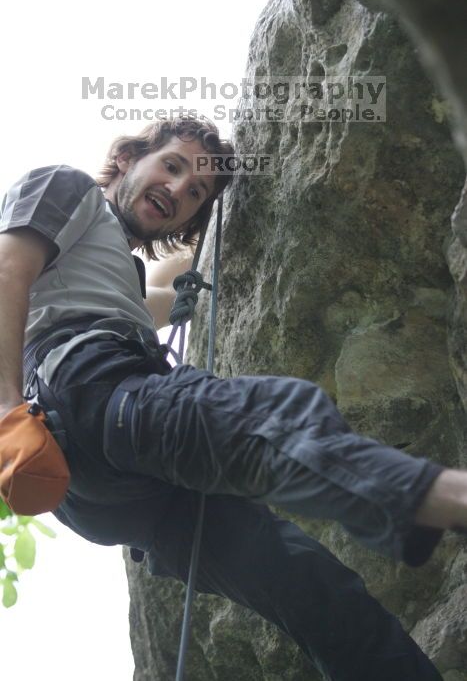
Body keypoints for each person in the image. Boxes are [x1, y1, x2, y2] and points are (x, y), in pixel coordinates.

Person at [0, 116, 465, 681]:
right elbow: (6, 271)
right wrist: (6, 415)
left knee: (311, 586)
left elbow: (167, 295)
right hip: (89, 393)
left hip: (110, 488)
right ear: (125, 159)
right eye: (171, 166)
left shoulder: (109, 274)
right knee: (274, 414)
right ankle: (445, 498)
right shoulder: (63, 186)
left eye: (196, 190)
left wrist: (203, 239)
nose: (177, 189)